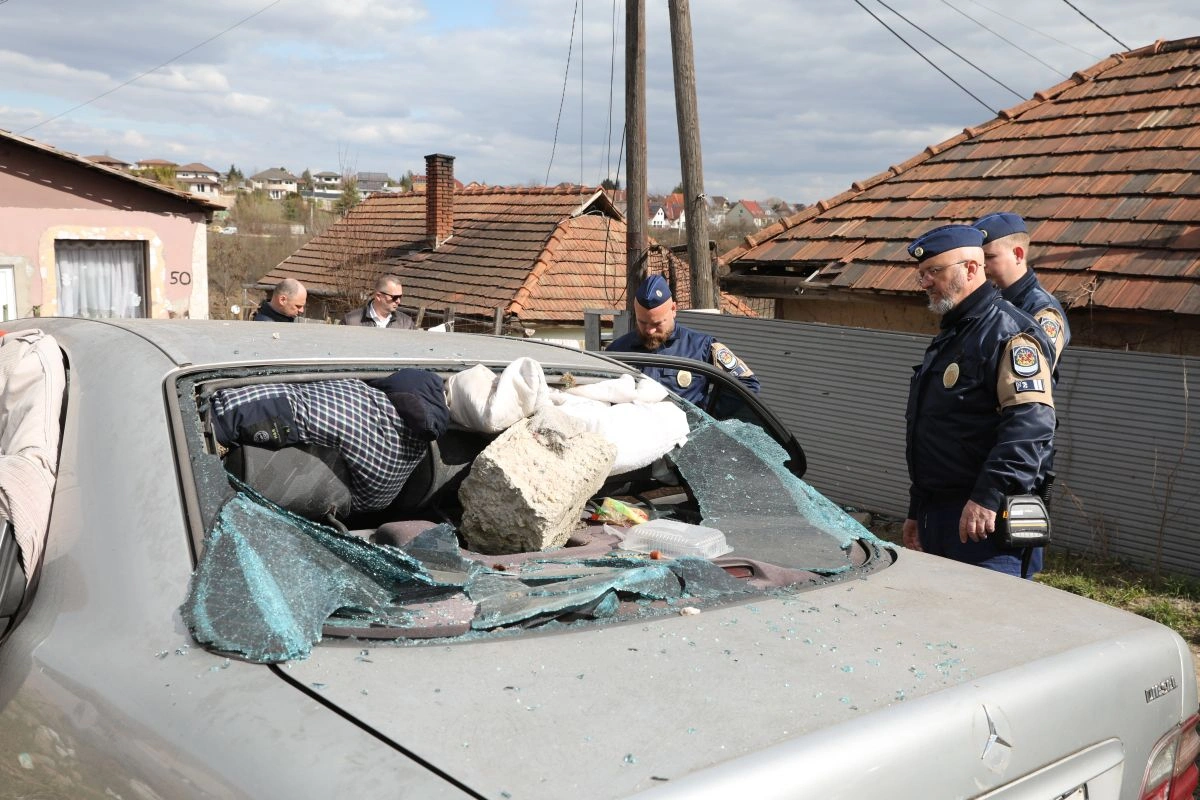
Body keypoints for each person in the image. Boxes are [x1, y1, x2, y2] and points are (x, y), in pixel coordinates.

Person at [901, 224, 1056, 578]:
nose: (924, 282)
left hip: (984, 521)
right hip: (940, 515)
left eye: (933, 272)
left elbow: (1031, 425)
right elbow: (933, 432)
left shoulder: (1010, 333)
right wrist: (917, 509)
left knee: (987, 626)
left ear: (971, 269)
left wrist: (988, 498)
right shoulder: (954, 334)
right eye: (922, 274)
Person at [605, 274, 759, 408]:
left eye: (657, 324)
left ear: (673, 309)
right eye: (642, 322)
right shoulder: (617, 351)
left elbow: (747, 382)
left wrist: (706, 415)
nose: (649, 330)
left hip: (687, 440)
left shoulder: (701, 347)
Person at [973, 212, 1070, 376]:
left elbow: (1034, 375)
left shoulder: (1043, 309)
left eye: (989, 257)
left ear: (1018, 254)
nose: (982, 265)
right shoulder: (989, 301)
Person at [342, 274, 416, 329]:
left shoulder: (406, 323)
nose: (398, 301)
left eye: (400, 297)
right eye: (395, 297)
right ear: (378, 296)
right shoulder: (351, 322)